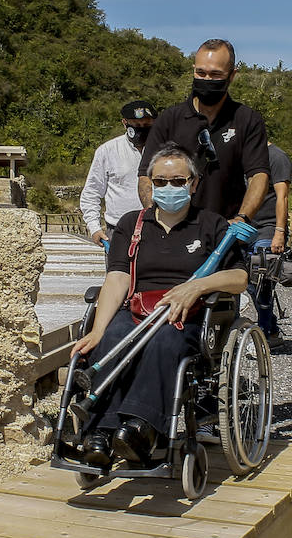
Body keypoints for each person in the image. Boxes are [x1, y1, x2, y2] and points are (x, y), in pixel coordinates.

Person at [69, 144, 249, 468]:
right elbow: (117, 277)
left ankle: (142, 429)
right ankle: (100, 433)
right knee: (111, 337)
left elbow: (238, 277)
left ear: (194, 184)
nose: (169, 188)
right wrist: (97, 330)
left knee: (165, 342)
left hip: (186, 316)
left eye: (178, 181)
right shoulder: (131, 225)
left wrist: (197, 286)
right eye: (161, 181)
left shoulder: (211, 225)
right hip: (138, 308)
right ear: (150, 183)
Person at [138, 39, 269, 223]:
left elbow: (258, 175)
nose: (207, 80)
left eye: (215, 74)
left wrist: (242, 219)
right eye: (201, 73)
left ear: (232, 75)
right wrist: (153, 212)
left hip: (225, 233)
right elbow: (145, 175)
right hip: (174, 231)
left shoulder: (247, 120)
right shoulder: (169, 119)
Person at [79, 100, 156, 246]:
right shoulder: (107, 151)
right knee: (118, 270)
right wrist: (94, 227)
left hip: (157, 229)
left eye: (147, 125)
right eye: (137, 125)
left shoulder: (166, 150)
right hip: (119, 230)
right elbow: (92, 192)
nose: (142, 129)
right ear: (125, 123)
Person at [246, 142, 292, 347]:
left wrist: (279, 232)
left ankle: (263, 335)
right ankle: (272, 327)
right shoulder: (242, 157)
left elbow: (282, 196)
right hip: (244, 226)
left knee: (262, 278)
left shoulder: (276, 157)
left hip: (268, 227)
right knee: (246, 282)